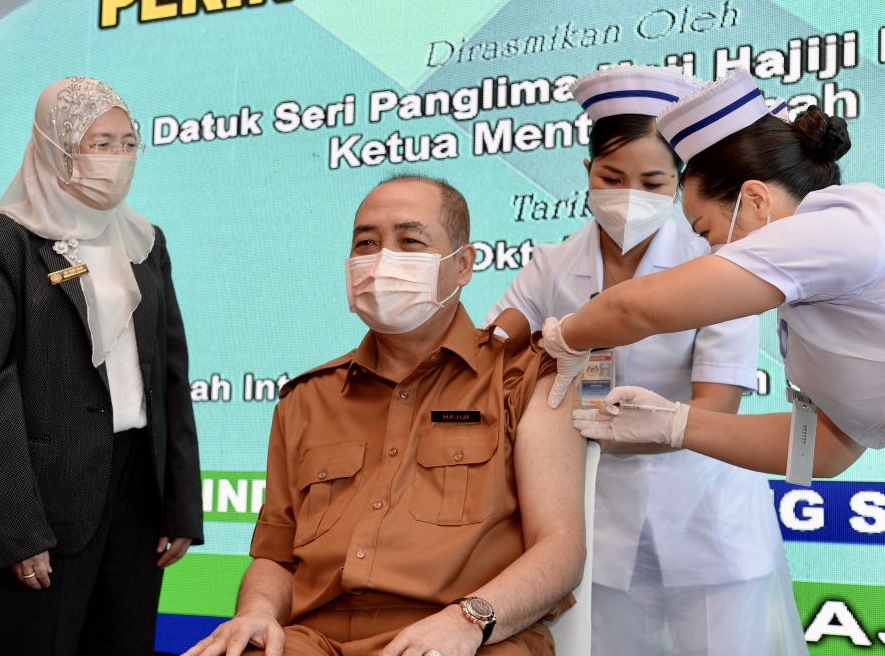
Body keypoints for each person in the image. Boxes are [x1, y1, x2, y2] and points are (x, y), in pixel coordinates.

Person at [542, 68, 885, 648]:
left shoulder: (849, 224)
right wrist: (677, 425)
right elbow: (825, 452)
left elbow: (637, 310)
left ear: (756, 199)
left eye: (709, 230)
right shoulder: (809, 306)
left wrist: (567, 337)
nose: (712, 250)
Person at [184, 175, 585, 656]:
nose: (382, 261)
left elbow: (560, 549)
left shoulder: (523, 378)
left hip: (462, 635)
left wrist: (468, 620)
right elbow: (276, 558)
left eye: (409, 241)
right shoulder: (305, 399)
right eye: (366, 244)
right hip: (316, 639)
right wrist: (257, 613)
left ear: (463, 265)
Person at [486, 65, 805, 655]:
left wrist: (645, 424)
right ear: (587, 174)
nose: (630, 196)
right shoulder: (551, 266)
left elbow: (717, 407)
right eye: (612, 176)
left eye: (654, 183)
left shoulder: (719, 262)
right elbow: (491, 355)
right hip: (598, 523)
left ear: (680, 184)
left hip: (706, 518)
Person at [0, 76, 203, 655]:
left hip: (137, 494)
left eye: (127, 143)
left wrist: (180, 505)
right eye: (98, 143)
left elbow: (170, 377)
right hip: (45, 500)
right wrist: (18, 529)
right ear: (54, 146)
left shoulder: (146, 240)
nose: (116, 159)